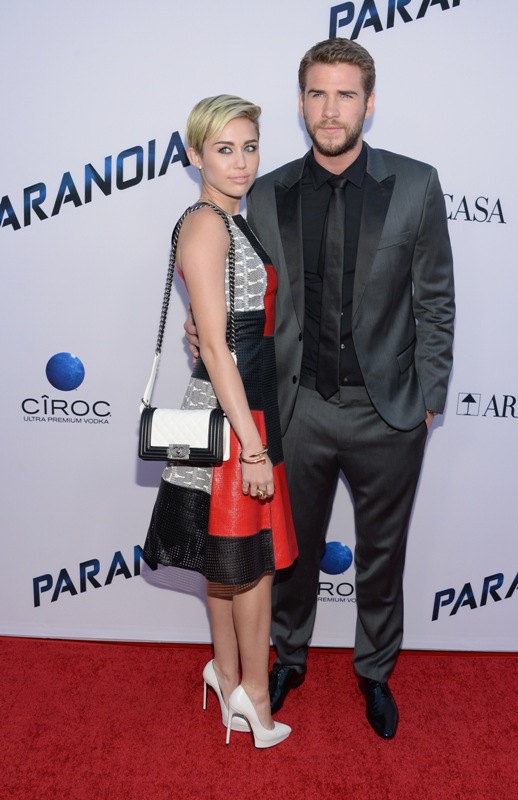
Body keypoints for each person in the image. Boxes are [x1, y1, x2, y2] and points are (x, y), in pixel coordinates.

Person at [186, 39, 455, 740]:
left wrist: (429, 396)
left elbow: (436, 299)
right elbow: (244, 291)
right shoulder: (265, 190)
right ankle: (288, 658)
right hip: (294, 409)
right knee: (289, 554)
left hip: (388, 412)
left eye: (345, 95)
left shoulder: (417, 184)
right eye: (317, 94)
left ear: (369, 103)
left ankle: (375, 672)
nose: (330, 110)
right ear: (301, 102)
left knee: (383, 554)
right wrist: (203, 327)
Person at [143, 95, 298, 749]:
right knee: (253, 566)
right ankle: (254, 696)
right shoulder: (207, 223)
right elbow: (214, 345)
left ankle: (227, 674)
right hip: (235, 416)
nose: (240, 163)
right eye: (224, 149)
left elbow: (219, 323)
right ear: (195, 156)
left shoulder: (230, 219)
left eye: (250, 147)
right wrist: (254, 448)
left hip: (244, 403)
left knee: (227, 558)